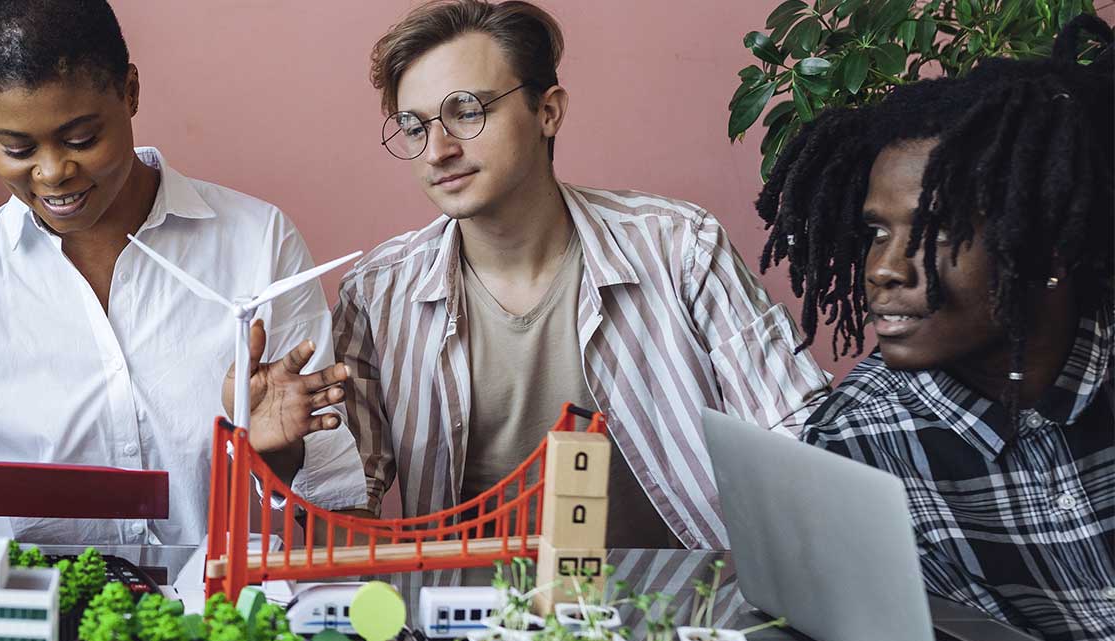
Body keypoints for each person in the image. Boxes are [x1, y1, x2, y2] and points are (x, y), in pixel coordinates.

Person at [336, 0, 830, 557]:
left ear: (547, 111)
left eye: (467, 111)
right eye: (413, 127)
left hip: (679, 612)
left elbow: (798, 434)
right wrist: (280, 451)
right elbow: (344, 496)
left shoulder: (679, 247)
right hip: (470, 627)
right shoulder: (376, 294)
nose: (440, 150)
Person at [0, 0, 367, 552]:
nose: (53, 172)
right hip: (30, 628)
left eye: (81, 138)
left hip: (222, 627)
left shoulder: (259, 244)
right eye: (16, 148)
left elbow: (334, 500)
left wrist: (273, 452)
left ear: (130, 92)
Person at [764, 16, 1113, 641]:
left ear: (1044, 245)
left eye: (933, 232)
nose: (884, 269)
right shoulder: (859, 444)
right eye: (875, 232)